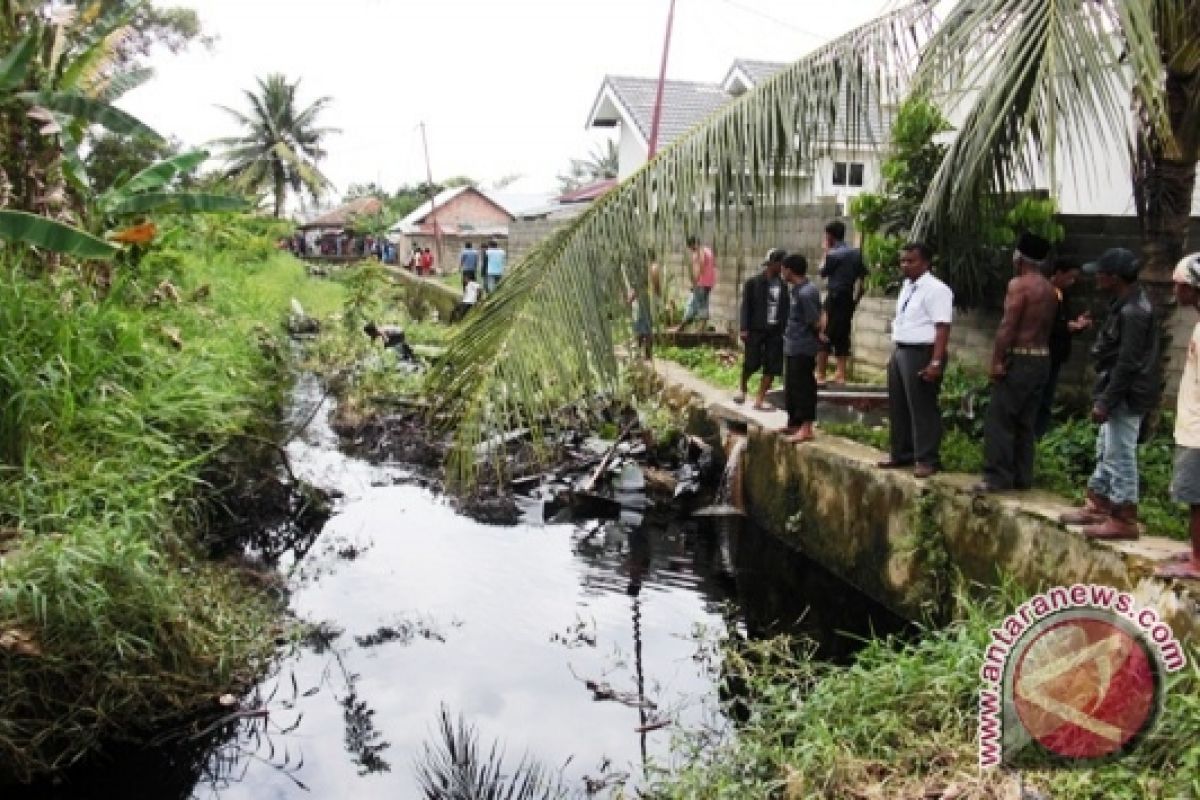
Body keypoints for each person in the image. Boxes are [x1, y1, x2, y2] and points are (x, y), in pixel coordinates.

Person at [1058, 248, 1161, 540]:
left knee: (1120, 453)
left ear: (1114, 277)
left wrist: (1106, 400)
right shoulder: (1124, 305)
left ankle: (1124, 516)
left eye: (1101, 273)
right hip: (1119, 390)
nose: (1096, 278)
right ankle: (1098, 502)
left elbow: (1128, 363)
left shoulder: (1134, 312)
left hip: (1127, 395)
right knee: (1106, 448)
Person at [973, 233, 1059, 494]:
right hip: (1042, 359)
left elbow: (1008, 326)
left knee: (999, 418)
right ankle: (1022, 476)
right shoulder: (1051, 290)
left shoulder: (1019, 286)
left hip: (1020, 358)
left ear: (1019, 257)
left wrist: (996, 361)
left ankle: (997, 476)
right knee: (1026, 421)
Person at [877, 242, 954, 478]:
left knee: (922, 406)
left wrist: (936, 362)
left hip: (922, 352)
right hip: (901, 349)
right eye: (903, 261)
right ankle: (902, 453)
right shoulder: (908, 287)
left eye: (911, 261)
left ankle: (927, 459)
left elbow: (942, 327)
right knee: (899, 405)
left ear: (926, 263)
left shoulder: (937, 289)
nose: (905, 265)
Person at [1157, 253, 1200, 579]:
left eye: (1179, 284)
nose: (1175, 289)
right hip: (1191, 425)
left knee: (1195, 497)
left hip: (1198, 431)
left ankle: (1198, 561)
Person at [1035, 259, 1092, 438]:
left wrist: (1077, 324)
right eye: (1070, 277)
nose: (1072, 282)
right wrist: (1068, 327)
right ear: (1059, 273)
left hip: (1057, 354)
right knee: (1039, 397)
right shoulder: (1045, 293)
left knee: (1047, 398)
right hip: (1044, 353)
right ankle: (1034, 434)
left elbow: (1063, 322)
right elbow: (1044, 325)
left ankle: (1039, 435)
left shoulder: (1062, 295)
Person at [736, 248, 790, 410]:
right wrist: (744, 328)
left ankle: (759, 399)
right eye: (781, 263)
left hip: (775, 331)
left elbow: (786, 309)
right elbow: (746, 306)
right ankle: (742, 387)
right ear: (772, 263)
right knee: (752, 362)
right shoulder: (753, 283)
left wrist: (785, 329)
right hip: (756, 329)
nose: (783, 267)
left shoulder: (783, 285)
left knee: (772, 365)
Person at [816, 221, 868, 386]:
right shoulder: (855, 253)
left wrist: (825, 251)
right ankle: (840, 374)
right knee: (843, 335)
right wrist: (855, 300)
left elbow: (822, 272)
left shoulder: (833, 254)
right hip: (847, 299)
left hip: (834, 298)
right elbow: (863, 280)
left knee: (823, 334)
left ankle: (821, 375)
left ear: (829, 236)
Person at [780, 253, 823, 443]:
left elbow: (816, 321)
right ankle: (794, 423)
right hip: (792, 345)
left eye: (783, 269)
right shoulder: (796, 290)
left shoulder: (807, 292)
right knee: (791, 387)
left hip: (803, 347)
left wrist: (818, 335)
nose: (782, 272)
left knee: (804, 387)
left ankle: (806, 428)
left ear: (789, 270)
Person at [674, 236, 717, 332]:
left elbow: (701, 265)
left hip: (701, 283)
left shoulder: (700, 251)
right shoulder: (708, 250)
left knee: (696, 305)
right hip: (707, 283)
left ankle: (694, 328)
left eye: (691, 247)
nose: (691, 249)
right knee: (700, 304)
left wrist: (695, 282)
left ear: (694, 244)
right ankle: (686, 326)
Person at [630, 251, 661, 360]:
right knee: (648, 328)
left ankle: (638, 353)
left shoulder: (645, 269)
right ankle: (648, 354)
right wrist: (658, 297)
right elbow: (657, 286)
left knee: (639, 327)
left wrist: (630, 299)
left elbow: (637, 286)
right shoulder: (655, 267)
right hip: (651, 299)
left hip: (643, 299)